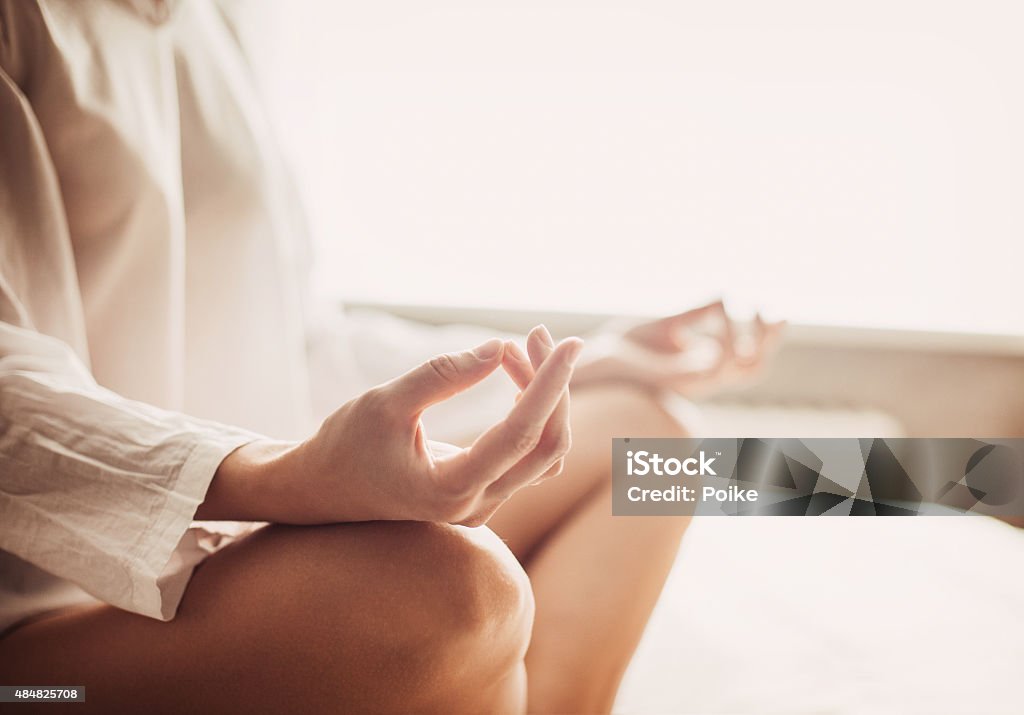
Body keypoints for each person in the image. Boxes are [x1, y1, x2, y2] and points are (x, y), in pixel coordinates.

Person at [0, 1, 781, 712]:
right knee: (453, 592)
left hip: (229, 557)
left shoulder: (214, 20)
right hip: (36, 654)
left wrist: (581, 366)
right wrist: (275, 473)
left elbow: (295, 336)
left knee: (649, 441)